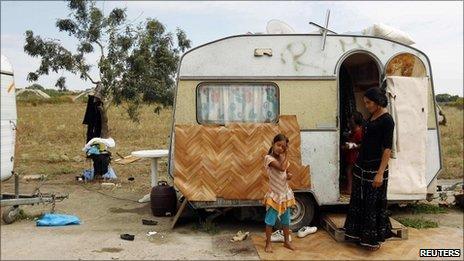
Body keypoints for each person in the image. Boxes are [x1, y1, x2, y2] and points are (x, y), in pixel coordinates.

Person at [343, 87, 395, 251]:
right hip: (361, 166)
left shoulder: (387, 120)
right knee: (359, 201)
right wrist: (353, 147)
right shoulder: (373, 116)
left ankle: (371, 239)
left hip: (375, 169)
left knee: (373, 204)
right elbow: (365, 142)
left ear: (378, 102)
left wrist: (380, 173)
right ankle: (358, 235)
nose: (366, 105)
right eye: (365, 102)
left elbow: (387, 149)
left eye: (368, 102)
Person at [263, 134, 296, 253]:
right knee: (270, 221)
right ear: (273, 143)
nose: (280, 148)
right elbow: (281, 168)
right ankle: (268, 243)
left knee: (286, 220)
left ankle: (287, 241)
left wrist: (289, 176)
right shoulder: (268, 158)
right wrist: (286, 153)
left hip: (285, 194)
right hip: (275, 196)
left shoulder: (282, 158)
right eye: (278, 145)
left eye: (283, 147)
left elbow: (286, 171)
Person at [342, 111, 364, 195]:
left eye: (350, 121)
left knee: (349, 171)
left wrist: (353, 146)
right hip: (351, 156)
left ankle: (350, 189)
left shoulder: (359, 132)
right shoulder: (354, 132)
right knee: (349, 171)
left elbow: (362, 144)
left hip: (355, 157)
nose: (349, 123)